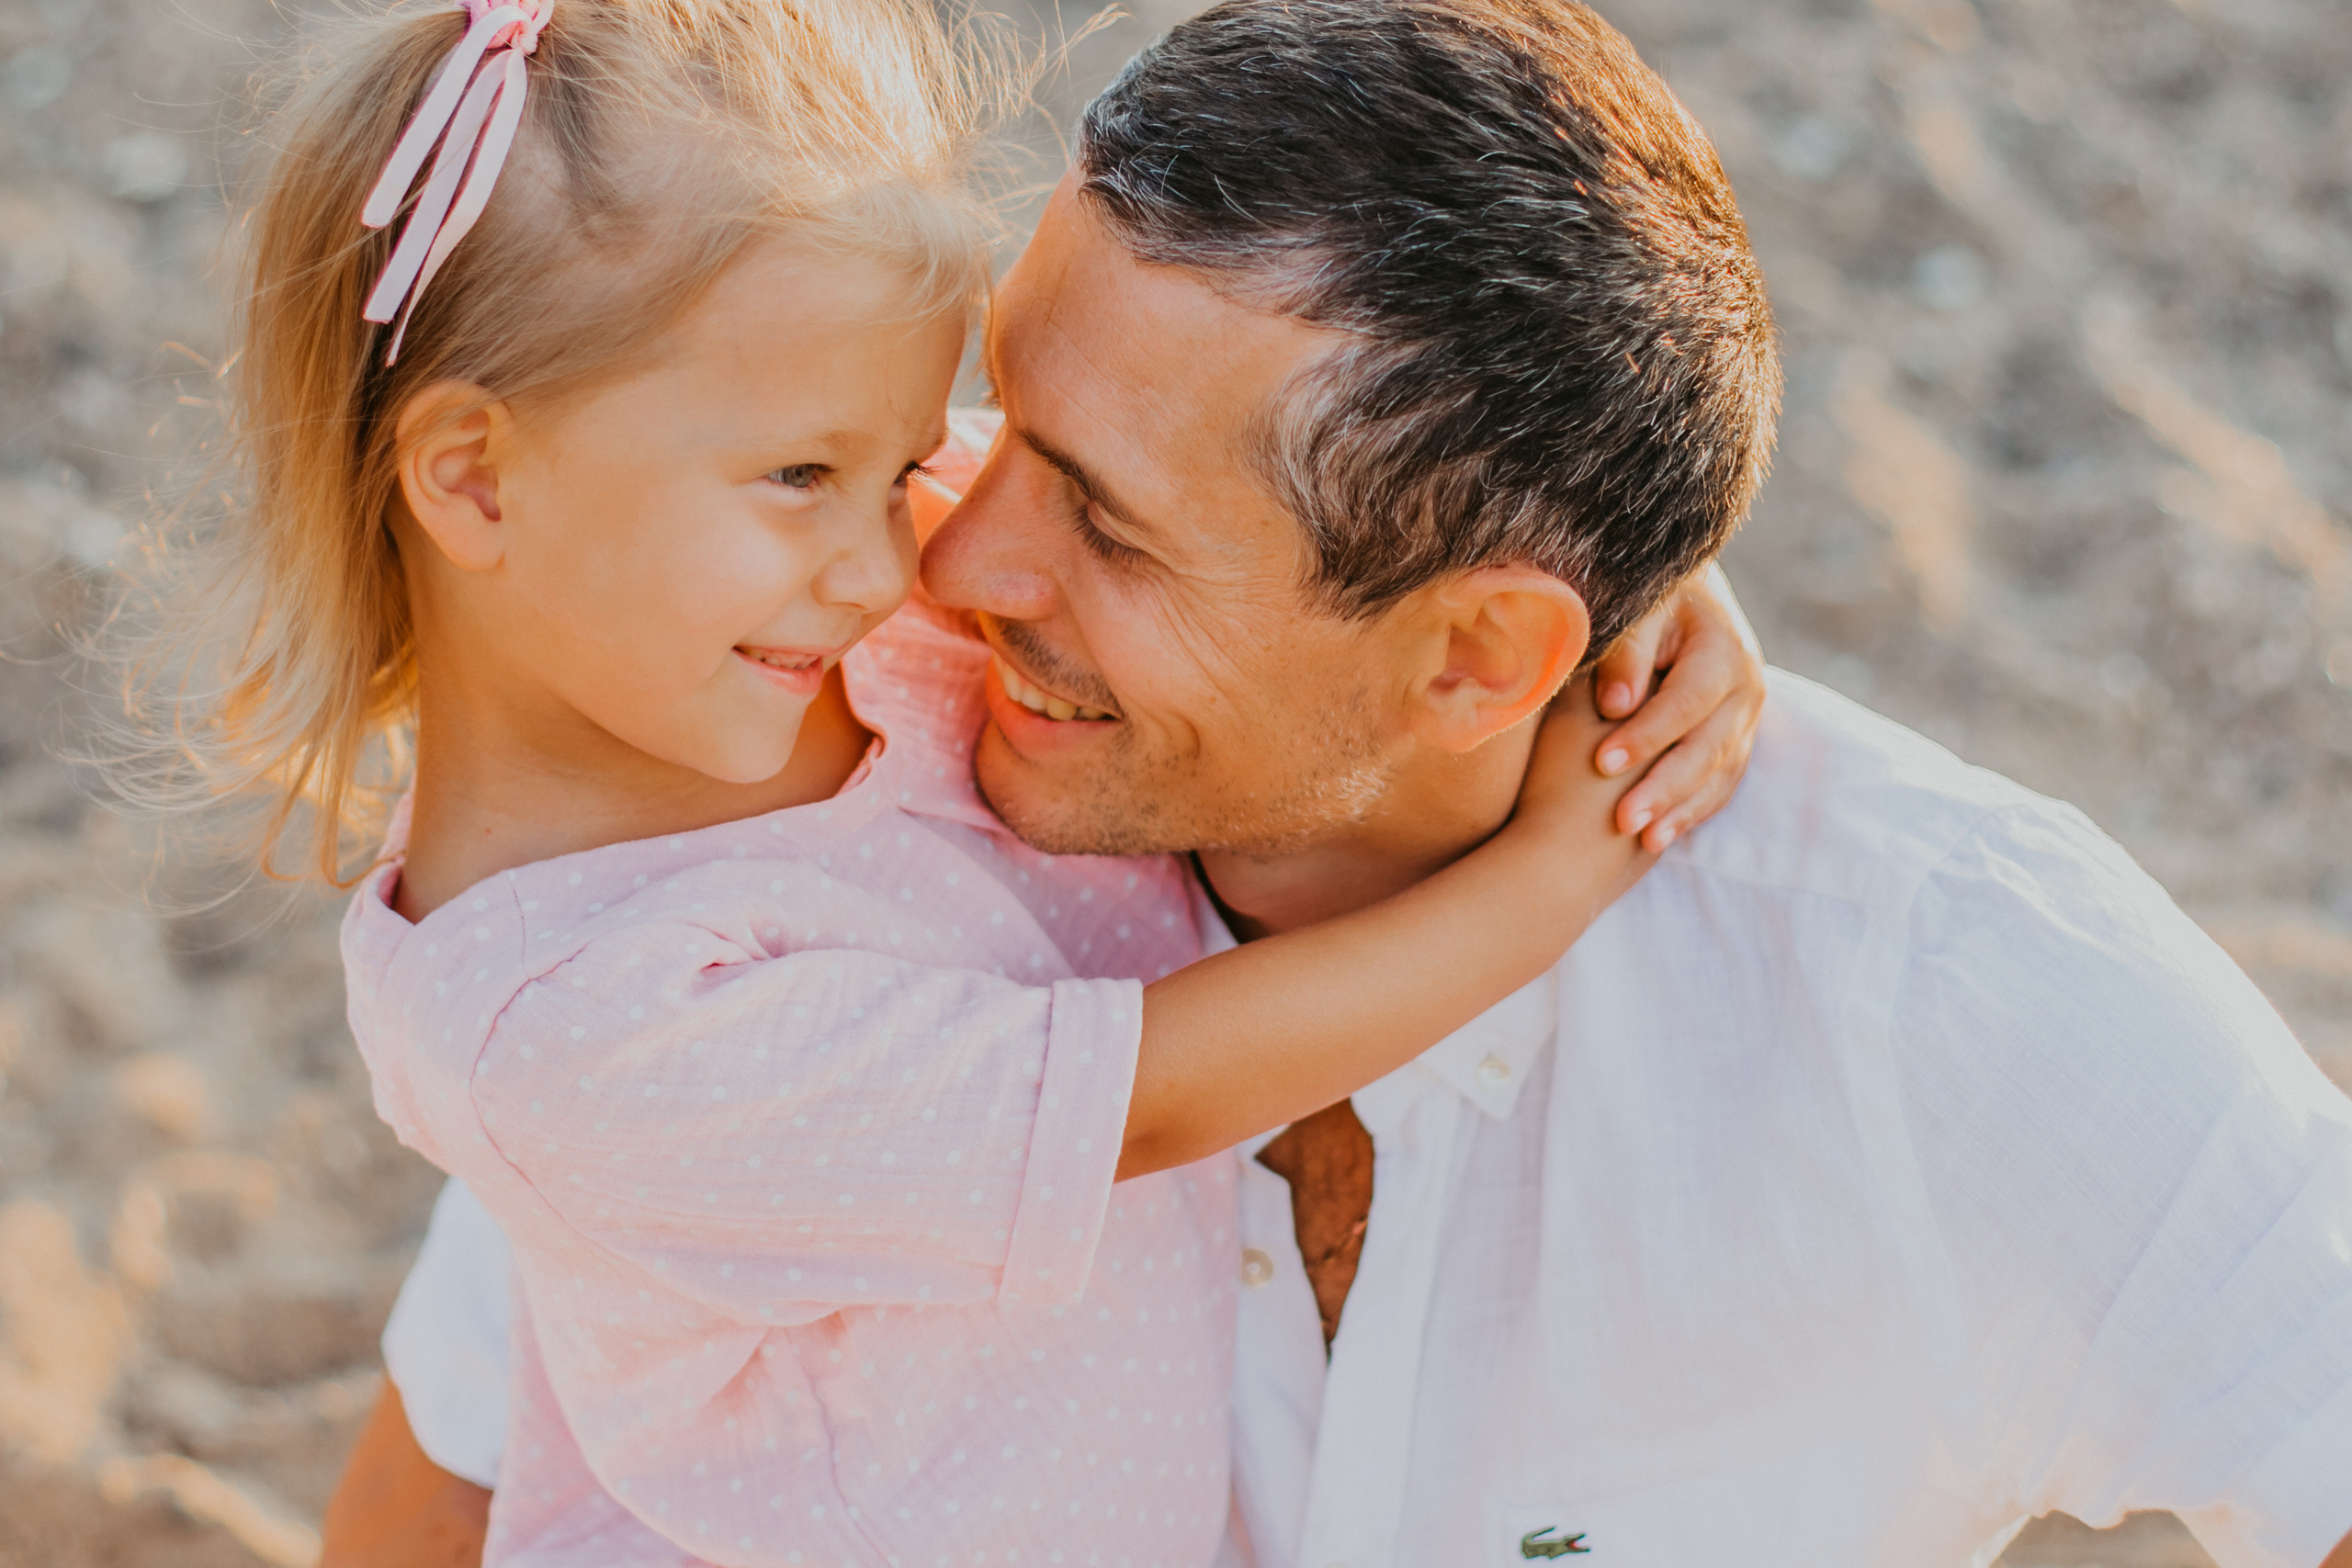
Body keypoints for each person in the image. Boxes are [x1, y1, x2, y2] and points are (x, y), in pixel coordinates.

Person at [334, 1, 2352, 1566]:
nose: (942, 555)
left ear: (1481, 655)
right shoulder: (801, 803)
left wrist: (1629, 566)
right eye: (995, 426)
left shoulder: (1946, 990)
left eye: (1105, 527)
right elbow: (468, 1437)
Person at [124, 1, 1769, 1564]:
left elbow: (1339, 533)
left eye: (903, 456)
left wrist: (1600, 563)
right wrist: (1567, 864)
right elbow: (1157, 1092)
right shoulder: (580, 1034)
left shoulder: (790, 600)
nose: (916, 555)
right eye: (804, 478)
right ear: (478, 481)